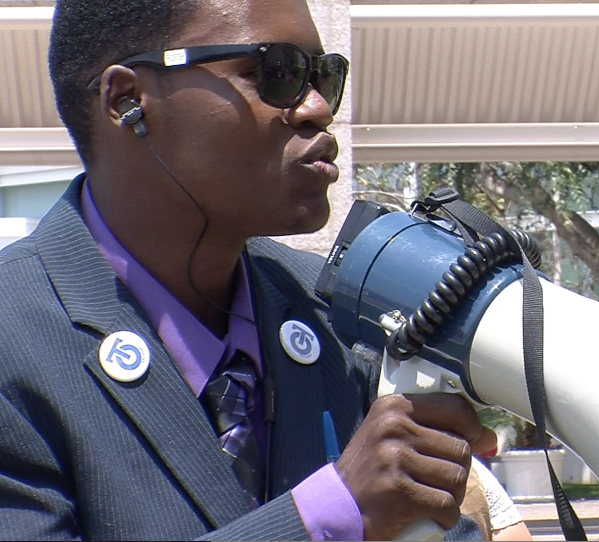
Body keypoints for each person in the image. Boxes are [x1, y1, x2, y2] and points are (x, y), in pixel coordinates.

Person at [0, 0, 531, 539]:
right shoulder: (13, 337)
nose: (318, 108)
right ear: (128, 100)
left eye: (325, 76)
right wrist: (332, 512)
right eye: (276, 73)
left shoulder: (339, 311)